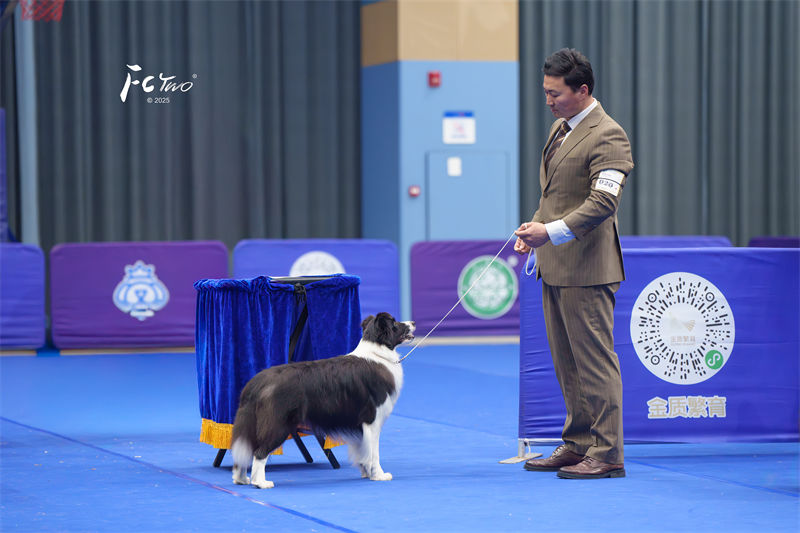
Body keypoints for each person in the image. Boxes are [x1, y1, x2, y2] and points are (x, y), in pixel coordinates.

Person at [514, 48, 634, 479]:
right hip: (555, 264)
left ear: (582, 90)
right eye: (545, 92)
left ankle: (608, 453)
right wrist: (537, 226)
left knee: (595, 362)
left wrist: (553, 231)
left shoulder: (609, 135)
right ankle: (579, 443)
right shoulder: (559, 129)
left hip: (588, 267)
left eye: (555, 93)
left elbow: (603, 201)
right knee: (568, 363)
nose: (548, 100)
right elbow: (555, 195)